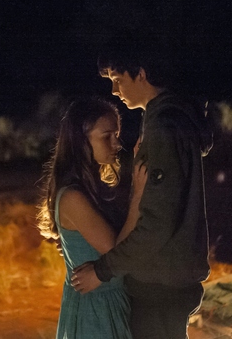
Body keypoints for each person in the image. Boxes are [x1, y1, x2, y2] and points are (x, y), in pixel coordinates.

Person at [71, 31, 213, 338]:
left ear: (141, 74)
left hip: (159, 283)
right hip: (170, 278)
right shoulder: (171, 120)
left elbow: (158, 222)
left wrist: (102, 271)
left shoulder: (163, 126)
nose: (114, 90)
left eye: (118, 79)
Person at [37, 98, 147, 339]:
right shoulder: (73, 197)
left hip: (106, 300)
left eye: (116, 134)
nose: (117, 143)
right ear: (80, 141)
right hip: (96, 309)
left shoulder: (90, 189)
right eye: (106, 136)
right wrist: (138, 194)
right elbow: (116, 250)